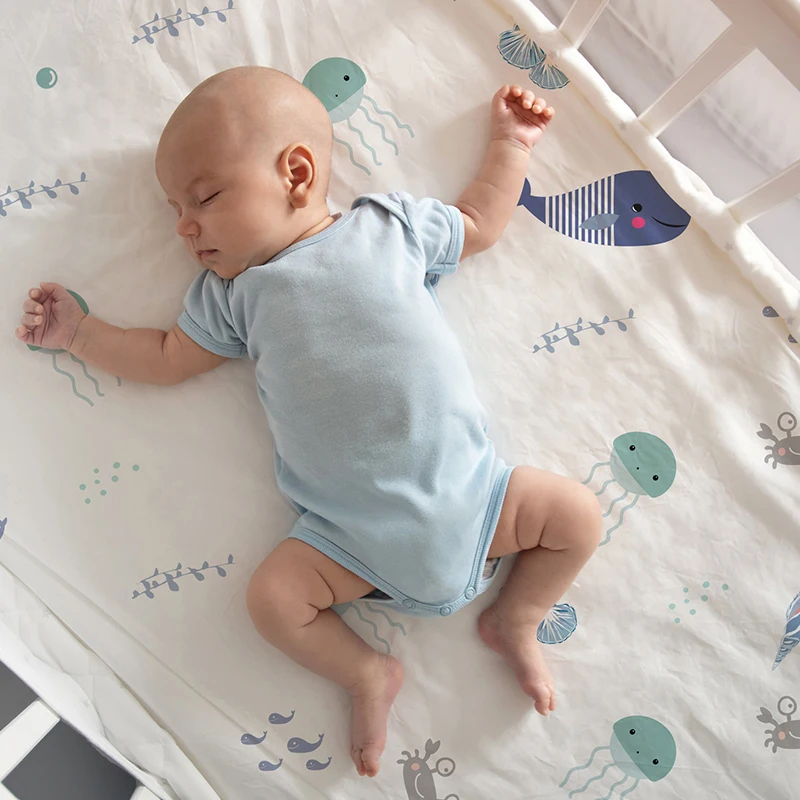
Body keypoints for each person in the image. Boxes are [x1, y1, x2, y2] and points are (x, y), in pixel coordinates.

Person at [15, 66, 602, 778]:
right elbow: (166, 357)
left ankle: (519, 616)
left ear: (296, 173)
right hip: (349, 540)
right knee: (272, 601)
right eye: (174, 209)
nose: (183, 226)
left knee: (577, 515)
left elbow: (478, 224)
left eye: (204, 198)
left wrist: (511, 144)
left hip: (480, 500)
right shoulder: (233, 297)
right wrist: (80, 335)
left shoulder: (386, 228)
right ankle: (366, 672)